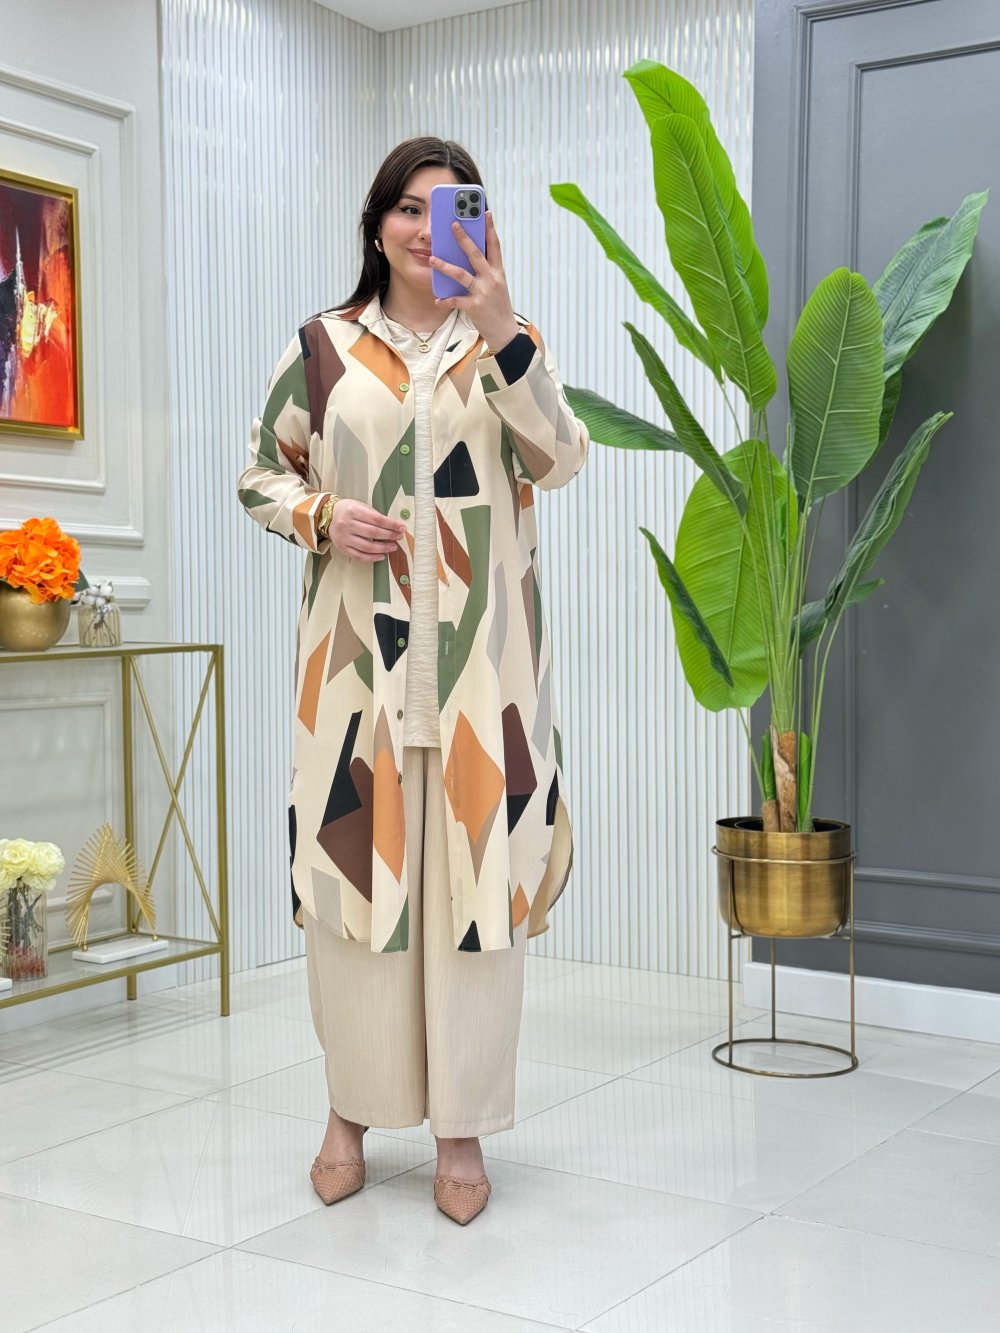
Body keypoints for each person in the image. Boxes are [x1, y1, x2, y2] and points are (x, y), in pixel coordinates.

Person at [238, 136, 589, 1225]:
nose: (424, 227)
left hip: (485, 677)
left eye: (449, 209)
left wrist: (501, 326)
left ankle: (461, 1128)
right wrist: (318, 515)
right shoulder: (325, 347)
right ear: (378, 223)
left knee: (475, 903)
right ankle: (349, 1112)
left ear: (477, 226)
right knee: (357, 894)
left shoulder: (509, 343)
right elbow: (258, 473)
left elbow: (561, 459)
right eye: (407, 206)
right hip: (357, 677)